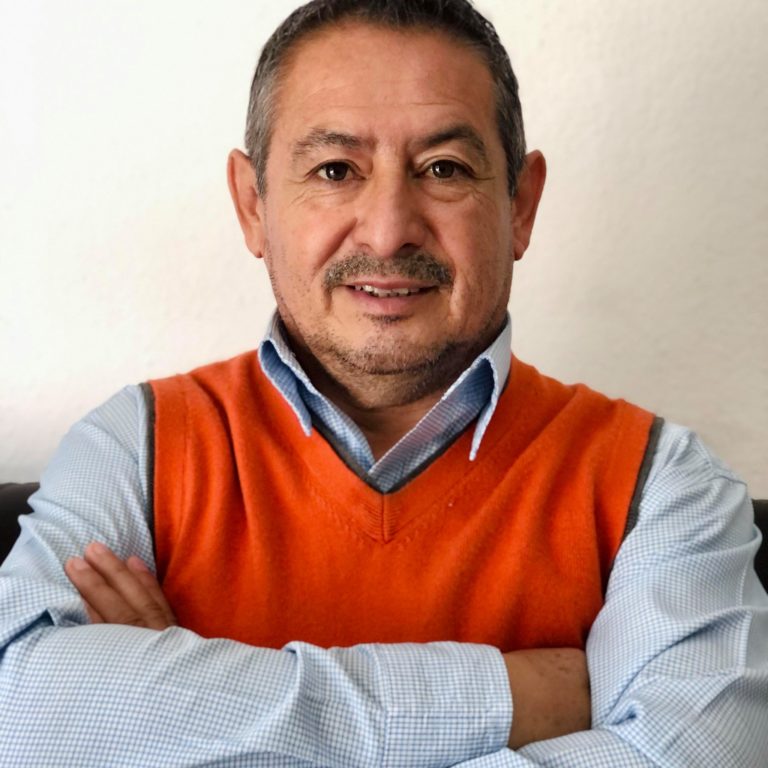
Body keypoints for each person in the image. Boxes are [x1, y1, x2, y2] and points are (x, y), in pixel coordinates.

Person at [1, 0, 766, 765]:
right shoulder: (135, 447)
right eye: (336, 170)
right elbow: (17, 716)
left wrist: (185, 718)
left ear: (521, 205)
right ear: (253, 204)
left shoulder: (662, 485)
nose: (389, 228)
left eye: (444, 169)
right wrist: (512, 699)